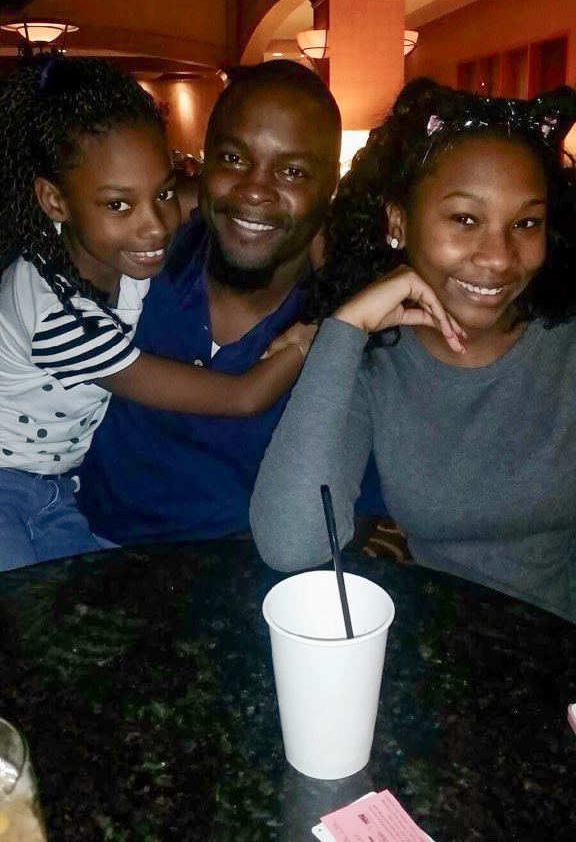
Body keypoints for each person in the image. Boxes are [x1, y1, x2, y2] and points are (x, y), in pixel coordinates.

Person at [250, 77, 576, 622]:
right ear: (398, 223)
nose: (498, 257)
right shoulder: (373, 360)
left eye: (526, 222)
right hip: (429, 653)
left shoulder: (564, 349)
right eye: (465, 219)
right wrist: (344, 327)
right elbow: (292, 544)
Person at [0, 58, 318, 570]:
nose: (154, 227)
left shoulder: (107, 256)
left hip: (58, 493)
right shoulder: (58, 318)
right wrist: (315, 334)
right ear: (54, 200)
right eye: (119, 206)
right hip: (10, 489)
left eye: (163, 193)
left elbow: (213, 200)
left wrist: (313, 227)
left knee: (74, 622)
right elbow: (243, 396)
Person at [77, 59, 342, 545]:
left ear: (331, 188)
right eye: (235, 159)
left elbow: (348, 509)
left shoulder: (344, 327)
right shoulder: (136, 260)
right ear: (203, 162)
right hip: (81, 545)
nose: (256, 190)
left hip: (232, 578)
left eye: (293, 171)